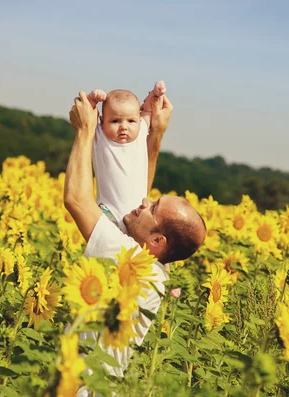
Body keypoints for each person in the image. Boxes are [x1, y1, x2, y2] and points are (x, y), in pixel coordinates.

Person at [64, 90, 206, 381]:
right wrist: (154, 135)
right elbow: (134, 194)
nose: (144, 201)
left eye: (152, 206)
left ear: (156, 241)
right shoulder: (153, 267)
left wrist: (86, 129)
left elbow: (76, 200)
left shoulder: (134, 263)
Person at [86, 82, 166, 230]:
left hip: (137, 214)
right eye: (115, 121)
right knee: (106, 244)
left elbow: (148, 110)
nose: (124, 126)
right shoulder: (100, 135)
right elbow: (88, 112)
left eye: (130, 121)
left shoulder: (141, 131)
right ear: (102, 121)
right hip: (109, 211)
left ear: (138, 120)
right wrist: (93, 99)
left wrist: (155, 95)